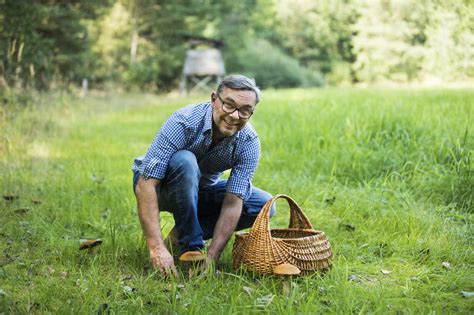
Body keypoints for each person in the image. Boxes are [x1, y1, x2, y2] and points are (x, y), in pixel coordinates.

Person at [132, 74, 275, 275]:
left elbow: (233, 202)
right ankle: (192, 248)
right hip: (160, 188)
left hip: (199, 191)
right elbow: (146, 184)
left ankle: (178, 239)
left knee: (263, 204)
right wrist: (156, 248)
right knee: (185, 160)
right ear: (214, 99)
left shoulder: (249, 142)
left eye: (245, 111)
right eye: (228, 105)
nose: (234, 115)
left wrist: (213, 257)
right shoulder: (184, 121)